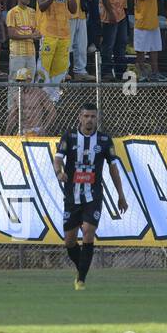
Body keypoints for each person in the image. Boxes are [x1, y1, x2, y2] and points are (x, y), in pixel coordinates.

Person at [52, 104, 128, 290]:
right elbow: (58, 158)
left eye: (93, 116)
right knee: (69, 240)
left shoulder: (104, 140)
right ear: (80, 117)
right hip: (72, 195)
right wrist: (59, 172)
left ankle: (81, 281)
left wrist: (121, 195)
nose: (89, 120)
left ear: (97, 118)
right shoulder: (69, 136)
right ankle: (82, 269)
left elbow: (113, 168)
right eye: (86, 116)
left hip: (93, 194)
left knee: (88, 232)